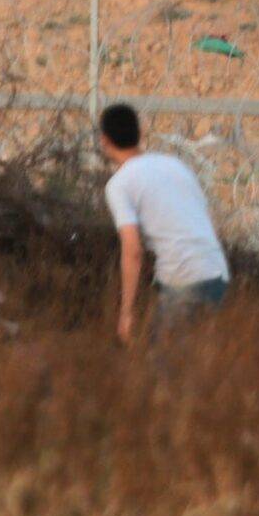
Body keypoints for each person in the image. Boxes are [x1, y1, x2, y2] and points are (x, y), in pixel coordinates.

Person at [97, 102, 230, 342]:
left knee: (162, 366)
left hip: (183, 278)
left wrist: (126, 312)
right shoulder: (174, 165)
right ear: (140, 133)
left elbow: (133, 250)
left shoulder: (119, 184)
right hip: (216, 272)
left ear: (104, 140)